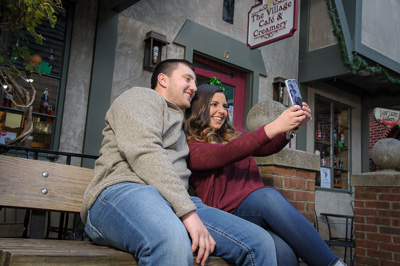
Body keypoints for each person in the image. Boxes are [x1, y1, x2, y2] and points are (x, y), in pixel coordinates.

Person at [81, 59, 293, 266]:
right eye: (187, 79)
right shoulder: (139, 97)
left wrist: (287, 130)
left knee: (259, 241)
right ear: (163, 79)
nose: (194, 87)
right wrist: (188, 213)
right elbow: (146, 153)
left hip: (175, 202)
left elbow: (247, 147)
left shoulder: (180, 125)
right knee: (171, 239)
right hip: (124, 192)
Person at [184, 84, 347, 266]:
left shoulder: (233, 134)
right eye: (214, 104)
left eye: (224, 106)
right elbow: (226, 153)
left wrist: (290, 129)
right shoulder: (192, 146)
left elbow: (264, 146)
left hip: (254, 209)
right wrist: (276, 124)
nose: (221, 111)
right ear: (199, 107)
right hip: (226, 214)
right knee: (267, 196)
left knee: (284, 252)